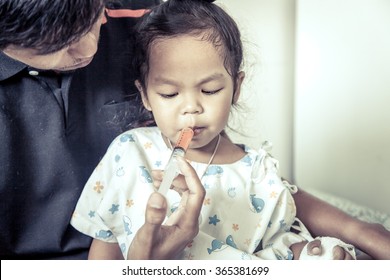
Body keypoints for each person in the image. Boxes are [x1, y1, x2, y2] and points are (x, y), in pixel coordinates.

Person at [1, 0, 389, 260]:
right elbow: (104, 248)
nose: (192, 107)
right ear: (146, 96)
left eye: (211, 90)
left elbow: (277, 222)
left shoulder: (254, 163)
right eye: (169, 92)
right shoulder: (127, 154)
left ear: (236, 87)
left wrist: (346, 236)